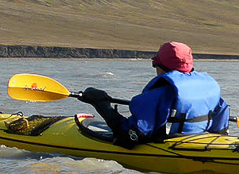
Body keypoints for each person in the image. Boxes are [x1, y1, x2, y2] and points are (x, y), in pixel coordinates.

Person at [79, 41, 229, 148]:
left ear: (161, 66)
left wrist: (101, 105)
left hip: (173, 144)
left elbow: (130, 137)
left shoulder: (158, 94)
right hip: (202, 140)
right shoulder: (209, 86)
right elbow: (222, 118)